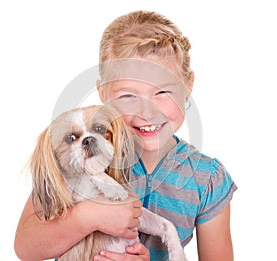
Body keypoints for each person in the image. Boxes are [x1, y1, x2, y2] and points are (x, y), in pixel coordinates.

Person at [14, 10, 237, 261]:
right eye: (128, 96)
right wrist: (89, 216)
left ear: (188, 85)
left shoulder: (207, 178)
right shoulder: (81, 159)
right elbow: (26, 248)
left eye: (163, 91)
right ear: (103, 93)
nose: (147, 111)